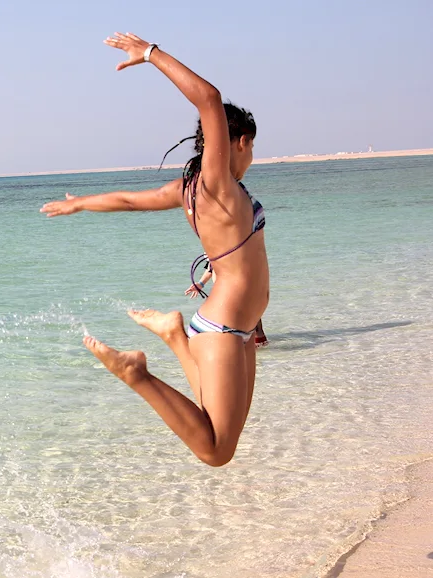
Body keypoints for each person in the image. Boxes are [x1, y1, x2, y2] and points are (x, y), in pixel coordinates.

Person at [41, 32, 269, 467]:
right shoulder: (216, 185)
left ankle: (173, 335)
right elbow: (209, 99)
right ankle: (135, 373)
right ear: (236, 142)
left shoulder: (186, 191)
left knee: (223, 438)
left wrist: (80, 203)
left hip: (237, 330)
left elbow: (129, 200)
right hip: (224, 328)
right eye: (252, 146)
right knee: (215, 451)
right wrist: (150, 54)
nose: (252, 156)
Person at [185, 262, 267, 347]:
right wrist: (201, 283)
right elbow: (210, 266)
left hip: (233, 292)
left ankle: (256, 340)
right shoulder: (215, 254)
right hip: (225, 294)